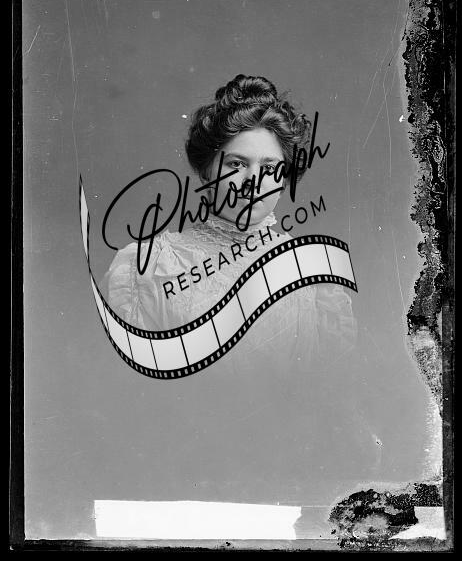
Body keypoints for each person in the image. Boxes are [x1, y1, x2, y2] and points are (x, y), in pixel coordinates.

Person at [101, 75, 427, 505]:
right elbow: (127, 408)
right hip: (175, 484)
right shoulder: (146, 267)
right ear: (205, 170)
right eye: (236, 164)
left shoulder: (315, 276)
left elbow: (331, 404)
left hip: (289, 485)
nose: (254, 182)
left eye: (271, 168)